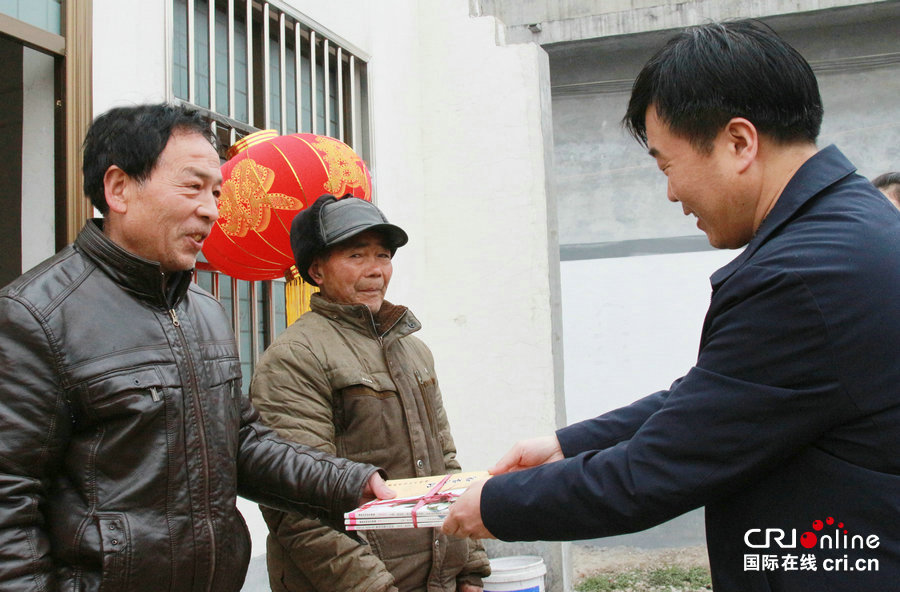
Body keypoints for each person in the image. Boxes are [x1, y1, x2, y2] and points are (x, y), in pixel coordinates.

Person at [442, 20, 900, 591]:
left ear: (739, 143)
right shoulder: (849, 229)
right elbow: (722, 394)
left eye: (666, 165)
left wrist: (497, 504)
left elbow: (655, 472)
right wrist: (570, 444)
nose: (671, 194)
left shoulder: (804, 274)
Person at [0, 103, 393, 592]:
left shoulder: (203, 310)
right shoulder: (35, 315)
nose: (211, 209)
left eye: (216, 191)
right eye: (192, 187)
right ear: (118, 188)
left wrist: (349, 483)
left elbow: (242, 443)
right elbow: (10, 501)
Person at [250, 194, 490, 592]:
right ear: (317, 270)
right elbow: (297, 507)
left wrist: (468, 566)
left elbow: (444, 464)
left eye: (383, 255)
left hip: (437, 580)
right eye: (356, 256)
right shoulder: (295, 357)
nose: (375, 271)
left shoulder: (412, 350)